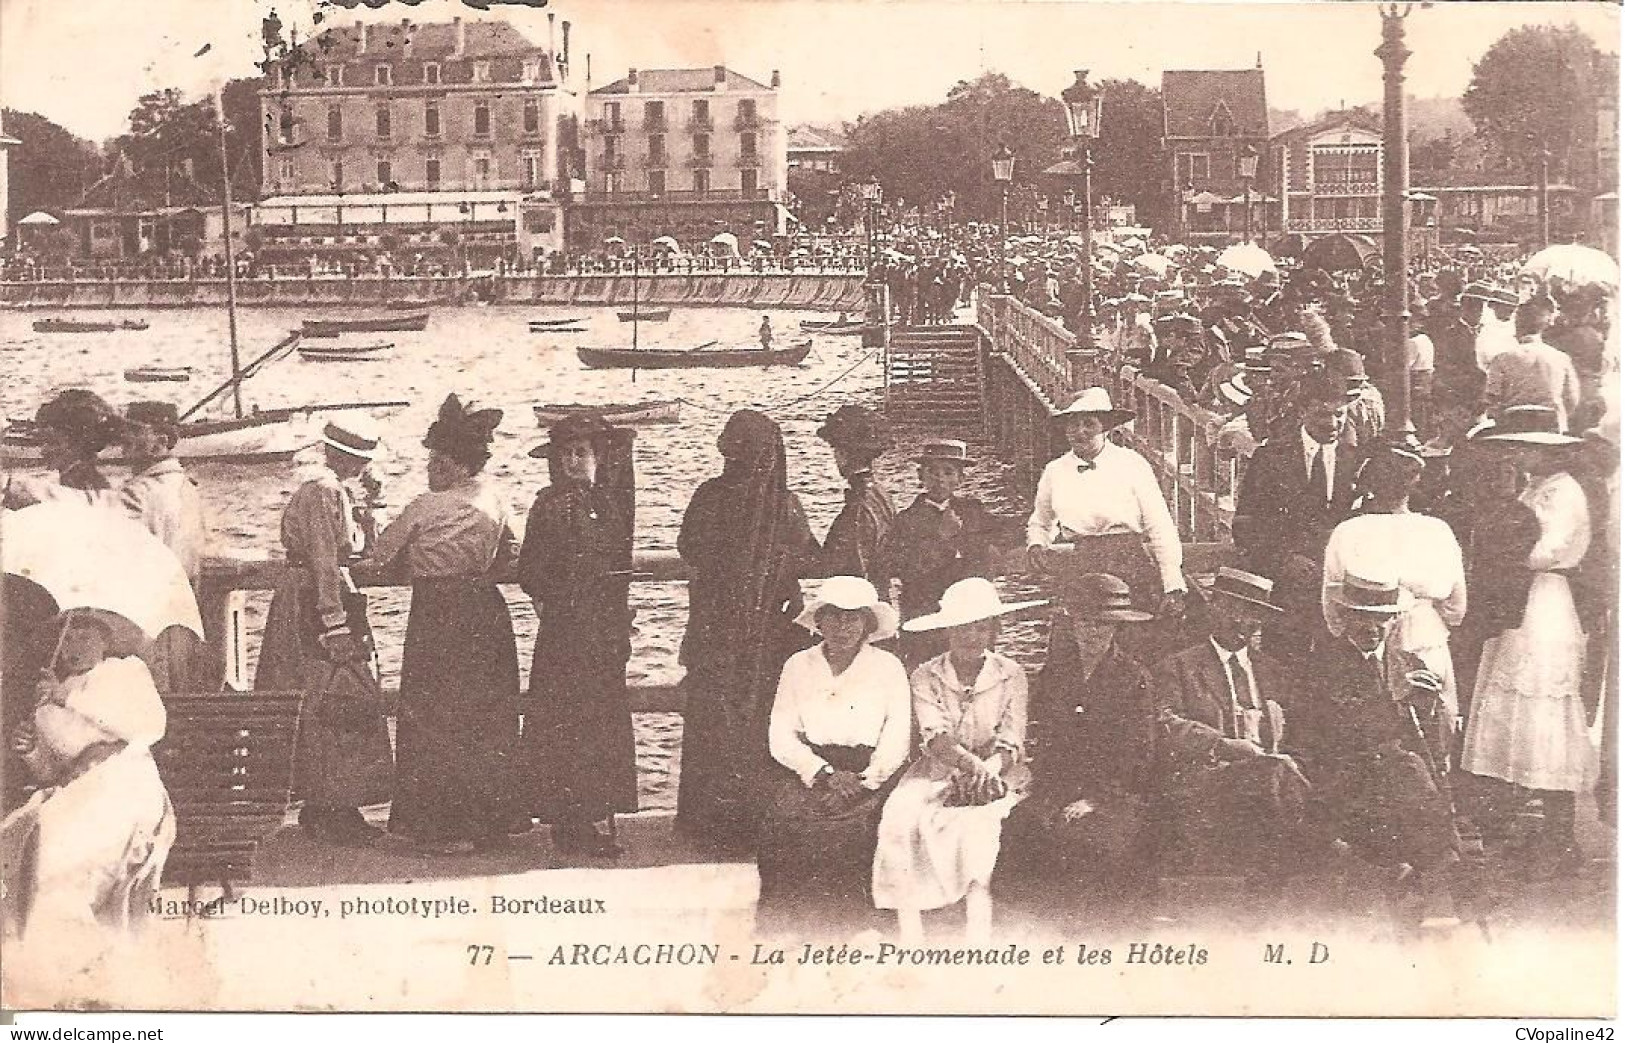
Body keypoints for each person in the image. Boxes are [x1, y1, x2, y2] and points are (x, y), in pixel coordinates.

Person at [361, 395, 521, 855]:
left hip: (437, 615)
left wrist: (369, 514)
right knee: (483, 717)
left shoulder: (424, 506)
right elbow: (513, 549)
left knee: (434, 718)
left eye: (436, 460)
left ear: (454, 465)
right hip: (484, 611)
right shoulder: (495, 497)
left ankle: (439, 828)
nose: (430, 467)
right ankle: (488, 823)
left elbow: (378, 558)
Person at [676, 410, 820, 849]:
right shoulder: (783, 503)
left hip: (714, 629)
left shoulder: (709, 497)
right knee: (758, 720)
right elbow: (811, 554)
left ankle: (707, 823)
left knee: (714, 721)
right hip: (765, 636)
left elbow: (688, 548)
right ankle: (754, 821)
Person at [1460, 406, 1595, 874]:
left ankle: (1560, 836)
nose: (1517, 454)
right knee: (1511, 708)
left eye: (1524, 447)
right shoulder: (1534, 489)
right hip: (1520, 598)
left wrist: (1505, 532)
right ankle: (1526, 823)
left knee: (1540, 707)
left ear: (1545, 448)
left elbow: (1543, 551)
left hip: (1544, 600)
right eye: (1514, 446)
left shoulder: (1562, 492)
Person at [1, 613, 175, 970]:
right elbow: (53, 772)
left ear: (105, 641)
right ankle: (60, 959)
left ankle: (84, 953)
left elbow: (148, 727)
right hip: (76, 795)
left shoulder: (126, 672)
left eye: (85, 637)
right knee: (30, 838)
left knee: (61, 845)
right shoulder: (46, 702)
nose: (74, 647)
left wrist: (69, 699)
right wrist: (30, 749)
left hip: (127, 784)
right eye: (67, 639)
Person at [872, 578, 1041, 942]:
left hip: (1000, 770)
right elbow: (935, 735)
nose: (972, 637)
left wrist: (989, 770)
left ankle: (977, 926)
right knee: (901, 819)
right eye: (964, 628)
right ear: (948, 630)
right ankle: (910, 927)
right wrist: (968, 767)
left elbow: (1013, 737)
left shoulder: (1011, 674)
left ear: (993, 631)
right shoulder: (925, 675)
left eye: (982, 628)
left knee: (980, 826)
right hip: (939, 768)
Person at [255, 419, 393, 845]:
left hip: (315, 595)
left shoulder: (339, 493)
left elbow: (363, 551)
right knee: (328, 698)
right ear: (350, 458)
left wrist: (369, 507)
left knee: (326, 699)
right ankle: (331, 805)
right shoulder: (322, 492)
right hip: (311, 600)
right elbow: (323, 561)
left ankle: (326, 802)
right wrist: (333, 621)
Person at [1296, 571, 1460, 923]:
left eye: (1381, 619)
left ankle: (1432, 875)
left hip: (1400, 778)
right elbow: (1345, 730)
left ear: (1393, 620)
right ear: (1344, 619)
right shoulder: (1323, 665)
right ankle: (1437, 871)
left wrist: (1429, 708)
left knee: (1416, 770)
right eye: (1362, 618)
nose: (1372, 628)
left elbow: (1436, 735)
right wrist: (1404, 706)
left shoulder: (1408, 664)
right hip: (1344, 772)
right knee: (1408, 770)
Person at [757, 577, 912, 936]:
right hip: (813, 769)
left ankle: (853, 930)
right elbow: (780, 734)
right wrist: (822, 773)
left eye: (853, 618)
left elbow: (897, 736)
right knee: (784, 821)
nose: (843, 627)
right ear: (820, 621)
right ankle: (790, 931)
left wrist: (866, 780)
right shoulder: (798, 665)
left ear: (867, 624)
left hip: (868, 772)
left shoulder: (887, 666)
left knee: (859, 830)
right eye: (835, 617)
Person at [1001, 573, 1159, 917]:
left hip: (1114, 792)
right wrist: (1031, 770)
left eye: (1103, 625)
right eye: (1085, 623)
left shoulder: (1134, 678)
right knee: (1020, 827)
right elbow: (1042, 731)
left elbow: (1138, 753)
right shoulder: (1058, 671)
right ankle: (1031, 926)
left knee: (1093, 839)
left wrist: (1096, 799)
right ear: (1072, 625)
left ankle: (1093, 928)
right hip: (1058, 784)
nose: (1093, 632)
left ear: (1117, 628)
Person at [517, 415, 637, 857]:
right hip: (566, 630)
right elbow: (530, 569)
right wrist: (558, 594)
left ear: (598, 458)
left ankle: (595, 814)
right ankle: (569, 822)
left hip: (603, 628)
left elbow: (619, 565)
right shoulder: (548, 504)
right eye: (566, 453)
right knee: (565, 721)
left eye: (581, 453)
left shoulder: (609, 503)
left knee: (600, 720)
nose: (573, 461)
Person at [1155, 568, 1312, 878]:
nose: (1245, 622)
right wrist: (1222, 745)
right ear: (1215, 608)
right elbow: (1164, 723)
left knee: (1280, 773)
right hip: (1209, 778)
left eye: (1254, 614)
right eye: (1236, 609)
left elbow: (1302, 730)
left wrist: (1291, 756)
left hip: (1274, 778)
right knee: (1277, 776)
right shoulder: (1180, 666)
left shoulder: (1273, 671)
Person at [1322, 442, 1467, 720]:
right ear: (1414, 482)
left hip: (1366, 645)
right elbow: (1456, 611)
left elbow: (1333, 611)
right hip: (1425, 641)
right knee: (1428, 729)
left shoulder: (1348, 531)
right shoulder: (1437, 531)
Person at [1232, 373, 1363, 659]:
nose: (1331, 424)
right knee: (1284, 667)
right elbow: (1244, 526)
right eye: (1321, 414)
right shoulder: (1270, 458)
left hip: (1340, 590)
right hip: (1286, 589)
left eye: (1338, 415)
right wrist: (1284, 559)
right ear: (1302, 411)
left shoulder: (1357, 459)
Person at [1025, 388, 1186, 616]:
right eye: (1073, 425)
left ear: (1105, 427)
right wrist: (1037, 544)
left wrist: (1172, 583)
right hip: (1082, 561)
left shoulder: (1132, 463)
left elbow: (1159, 525)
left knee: (1136, 635)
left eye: (1089, 424)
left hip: (1129, 559)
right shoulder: (1054, 471)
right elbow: (1040, 522)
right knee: (1083, 634)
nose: (1080, 432)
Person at [873, 439, 1005, 667]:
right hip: (926, 612)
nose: (940, 479)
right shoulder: (906, 520)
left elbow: (1005, 537)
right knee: (927, 672)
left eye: (948, 472)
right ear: (920, 477)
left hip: (970, 614)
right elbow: (899, 567)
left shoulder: (973, 511)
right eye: (932, 472)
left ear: (960, 479)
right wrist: (942, 539)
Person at [116, 401, 212, 694]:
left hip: (142, 621)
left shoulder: (137, 494)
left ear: (163, 441)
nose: (125, 438)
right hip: (183, 617)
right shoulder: (186, 487)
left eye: (135, 431)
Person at [816, 404, 897, 587]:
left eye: (835, 450)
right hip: (879, 592)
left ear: (843, 453)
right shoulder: (881, 494)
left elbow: (840, 565)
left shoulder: (858, 506)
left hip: (860, 597)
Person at [3, 390, 124, 509]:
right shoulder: (79, 476)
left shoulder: (84, 483)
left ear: (75, 444)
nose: (43, 450)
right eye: (43, 442)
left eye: (51, 442)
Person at [1483, 295, 1582, 432]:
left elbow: (1491, 399)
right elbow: (1572, 399)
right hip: (1551, 427)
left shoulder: (1502, 359)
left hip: (1512, 428)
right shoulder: (1561, 358)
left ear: (1518, 326)